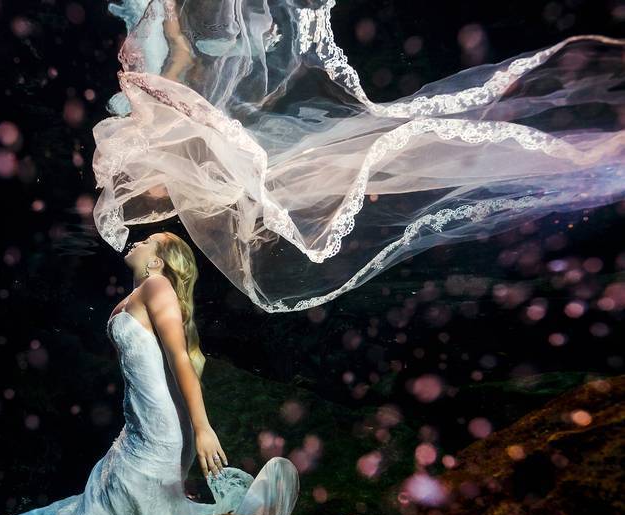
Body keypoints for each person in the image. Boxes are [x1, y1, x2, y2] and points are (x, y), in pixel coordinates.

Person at [93, 0, 625, 313]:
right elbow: (184, 59)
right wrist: (166, 34)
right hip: (229, 131)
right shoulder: (186, 149)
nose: (153, 199)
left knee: (381, 144)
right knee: (386, 146)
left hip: (226, 126)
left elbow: (184, 59)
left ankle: (589, 152)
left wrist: (163, 33)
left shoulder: (171, 143)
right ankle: (593, 154)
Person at [0, 231, 314, 515]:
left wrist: (202, 427)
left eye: (147, 241)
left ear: (157, 262)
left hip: (161, 430)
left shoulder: (156, 286)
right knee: (120, 503)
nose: (136, 242)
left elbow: (179, 360)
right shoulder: (142, 294)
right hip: (141, 425)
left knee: (130, 501)